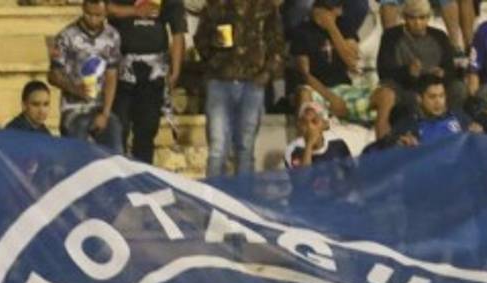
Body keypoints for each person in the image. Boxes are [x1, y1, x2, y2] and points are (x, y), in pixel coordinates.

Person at [196, 0, 285, 176]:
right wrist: (215, 60)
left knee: (246, 147)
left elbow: (277, 45)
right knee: (217, 148)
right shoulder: (215, 6)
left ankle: (243, 199)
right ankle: (212, 199)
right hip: (219, 82)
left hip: (253, 84)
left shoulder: (266, 7)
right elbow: (201, 40)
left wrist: (266, 74)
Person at [109, 0, 185, 163]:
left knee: (147, 130)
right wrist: (135, 11)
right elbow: (105, 8)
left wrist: (176, 70)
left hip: (153, 73)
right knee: (118, 129)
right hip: (122, 71)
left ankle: (141, 180)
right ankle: (117, 180)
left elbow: (178, 33)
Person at [374, 0, 462, 139]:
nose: (418, 23)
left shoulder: (439, 36)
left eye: (422, 18)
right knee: (392, 94)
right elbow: (384, 72)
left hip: (434, 85)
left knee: (458, 88)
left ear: (428, 18)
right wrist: (407, 72)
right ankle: (385, 140)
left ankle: (455, 126)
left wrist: (442, 74)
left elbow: (450, 69)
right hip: (405, 86)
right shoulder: (391, 37)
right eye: (412, 18)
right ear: (404, 17)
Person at [290, 0, 384, 128]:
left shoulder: (343, 27)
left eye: (331, 9)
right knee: (304, 95)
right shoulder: (301, 32)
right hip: (318, 90)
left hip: (343, 88)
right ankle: (309, 139)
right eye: (323, 8)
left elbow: (352, 62)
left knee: (382, 96)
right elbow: (305, 75)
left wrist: (331, 28)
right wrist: (330, 98)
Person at [50, 0, 123, 153]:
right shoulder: (65, 36)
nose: (93, 19)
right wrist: (75, 89)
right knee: (77, 154)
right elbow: (53, 75)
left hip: (100, 108)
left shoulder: (112, 36)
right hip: (73, 109)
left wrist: (105, 112)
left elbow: (112, 75)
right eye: (89, 14)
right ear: (83, 9)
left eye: (98, 15)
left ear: (105, 12)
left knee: (115, 145)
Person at [284, 101, 352, 168]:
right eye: (304, 122)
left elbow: (351, 174)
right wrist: (309, 144)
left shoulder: (337, 144)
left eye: (314, 121)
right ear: (299, 126)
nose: (310, 126)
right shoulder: (293, 149)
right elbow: (303, 177)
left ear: (325, 124)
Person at [415, 75, 465, 144]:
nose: (438, 101)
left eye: (441, 96)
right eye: (432, 97)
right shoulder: (412, 126)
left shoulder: (459, 117)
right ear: (419, 98)